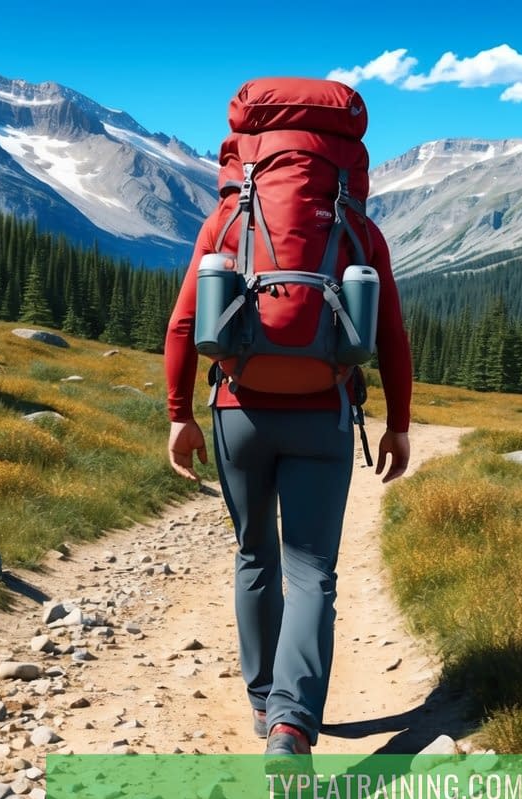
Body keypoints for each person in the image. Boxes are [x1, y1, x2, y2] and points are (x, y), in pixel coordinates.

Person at [163, 78, 412, 760]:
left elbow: (184, 323)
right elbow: (391, 333)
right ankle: (291, 725)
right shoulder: (357, 227)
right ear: (342, 158)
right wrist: (398, 423)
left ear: (248, 150)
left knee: (254, 555)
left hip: (238, 411)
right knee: (312, 572)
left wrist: (180, 416)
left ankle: (259, 699)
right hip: (323, 415)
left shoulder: (227, 220)